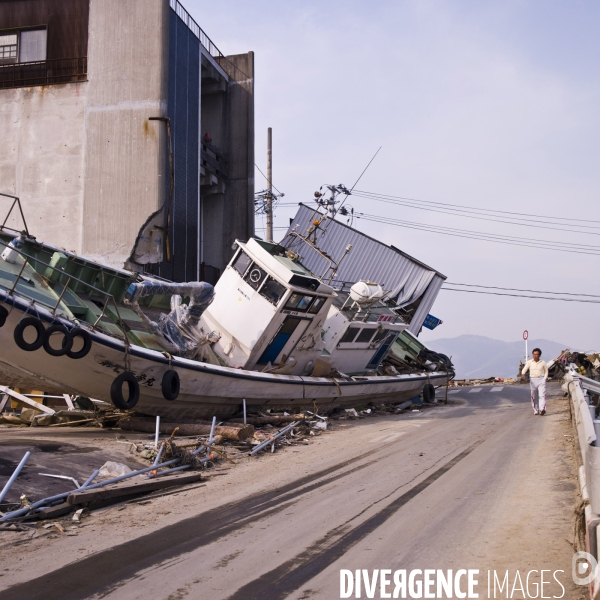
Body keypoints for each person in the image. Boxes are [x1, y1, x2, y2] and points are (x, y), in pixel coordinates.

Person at [521, 348, 549, 415]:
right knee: (534, 396)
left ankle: (542, 409)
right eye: (534, 354)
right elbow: (525, 369)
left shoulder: (543, 362)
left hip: (541, 379)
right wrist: (523, 374)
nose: (535, 356)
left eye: (537, 354)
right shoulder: (530, 362)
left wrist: (544, 379)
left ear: (539, 355)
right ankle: (536, 409)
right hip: (533, 380)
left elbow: (546, 371)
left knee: (542, 395)